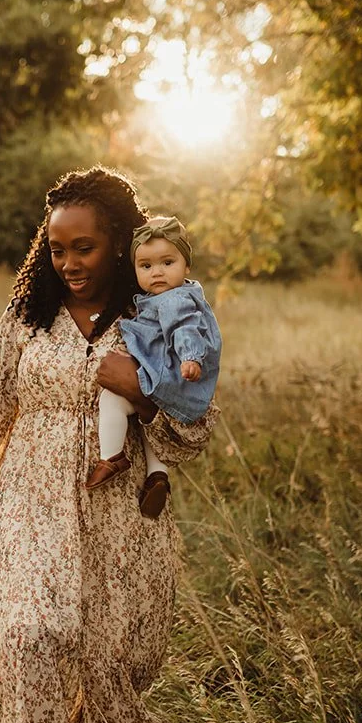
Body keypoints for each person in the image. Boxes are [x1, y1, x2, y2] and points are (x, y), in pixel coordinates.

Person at [0, 167, 216, 723]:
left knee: (106, 663)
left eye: (85, 247)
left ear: (120, 243)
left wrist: (145, 394)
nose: (68, 263)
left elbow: (197, 430)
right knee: (31, 635)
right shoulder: (28, 316)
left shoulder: (156, 315)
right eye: (57, 247)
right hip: (32, 504)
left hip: (117, 512)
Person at [87, 215, 222, 519]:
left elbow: (185, 327)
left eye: (167, 263)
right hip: (170, 380)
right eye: (146, 266)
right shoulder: (162, 298)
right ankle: (156, 475)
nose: (157, 273)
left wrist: (190, 357)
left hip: (173, 373)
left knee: (112, 400)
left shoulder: (175, 299)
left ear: (187, 265)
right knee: (150, 420)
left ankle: (112, 457)